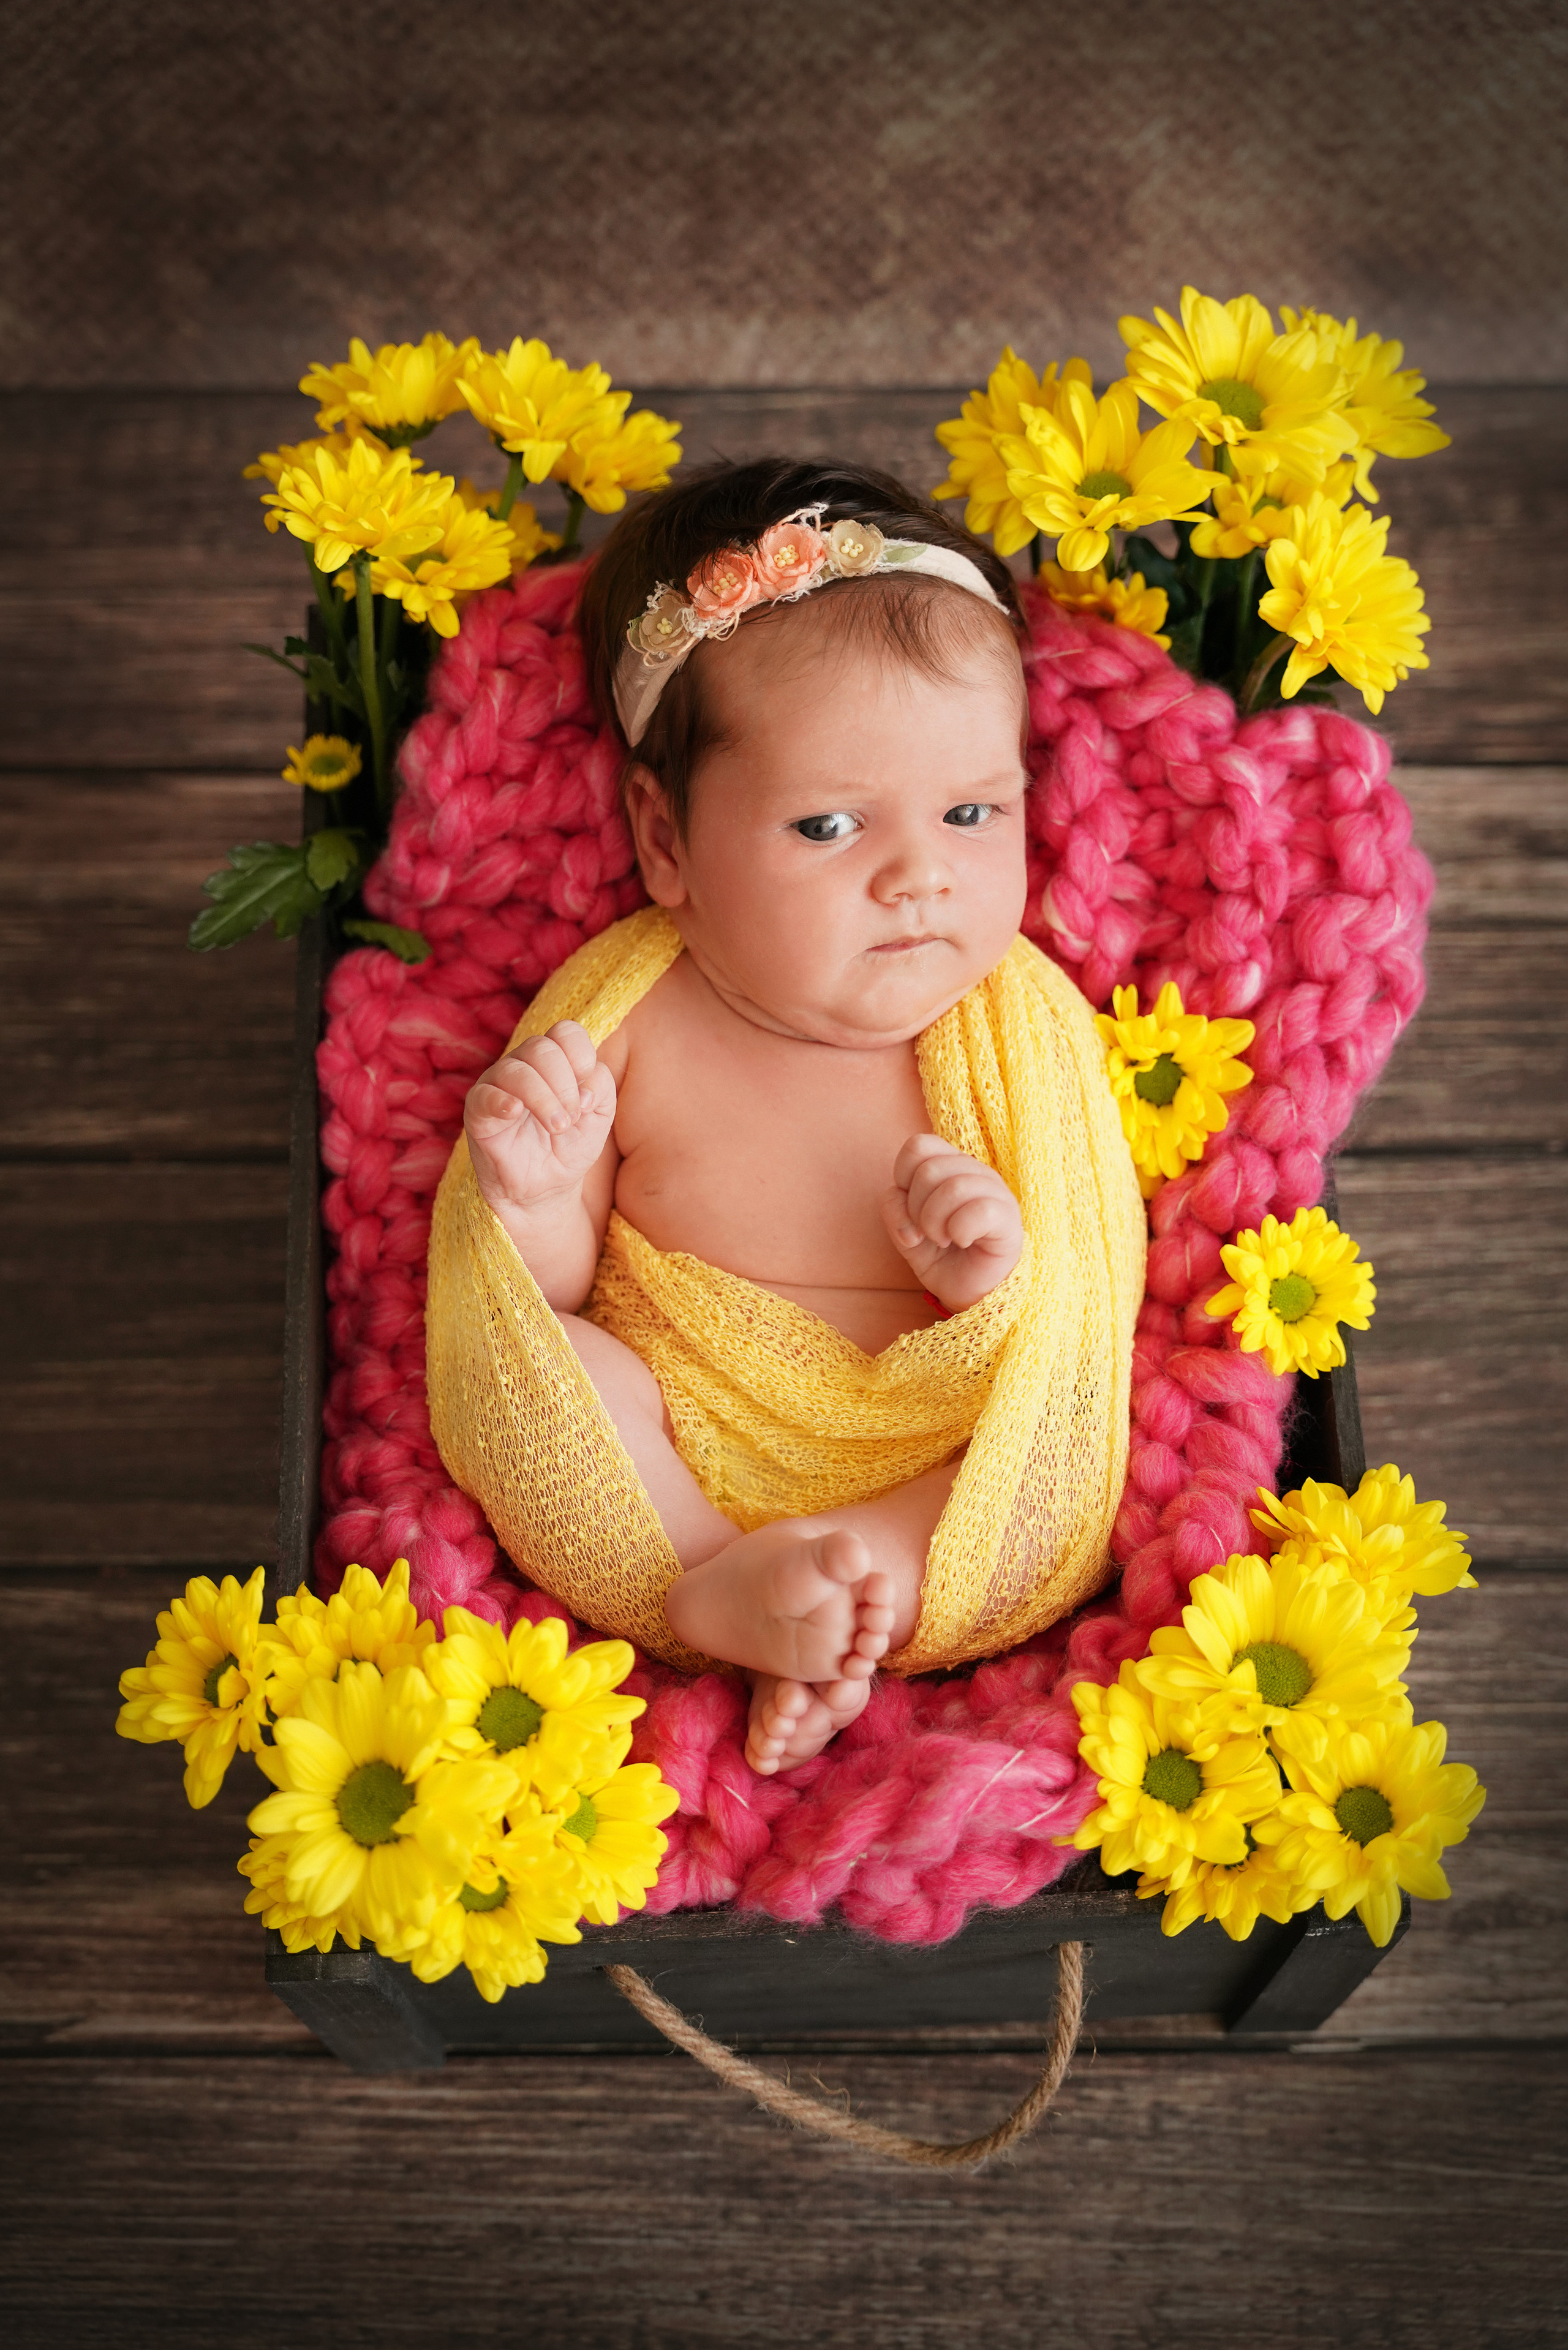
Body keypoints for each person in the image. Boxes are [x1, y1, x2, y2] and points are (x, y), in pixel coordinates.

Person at [428, 459, 1145, 1775]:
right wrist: (528, 1193)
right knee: (567, 1382)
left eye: (972, 811)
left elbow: (1078, 1310)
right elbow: (540, 1302)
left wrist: (986, 1274)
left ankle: (827, 1601)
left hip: (925, 1469)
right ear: (666, 840)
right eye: (826, 823)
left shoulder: (1015, 1023)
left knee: (1032, 1491)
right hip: (675, 1456)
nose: (919, 872)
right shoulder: (624, 1012)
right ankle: (710, 1583)